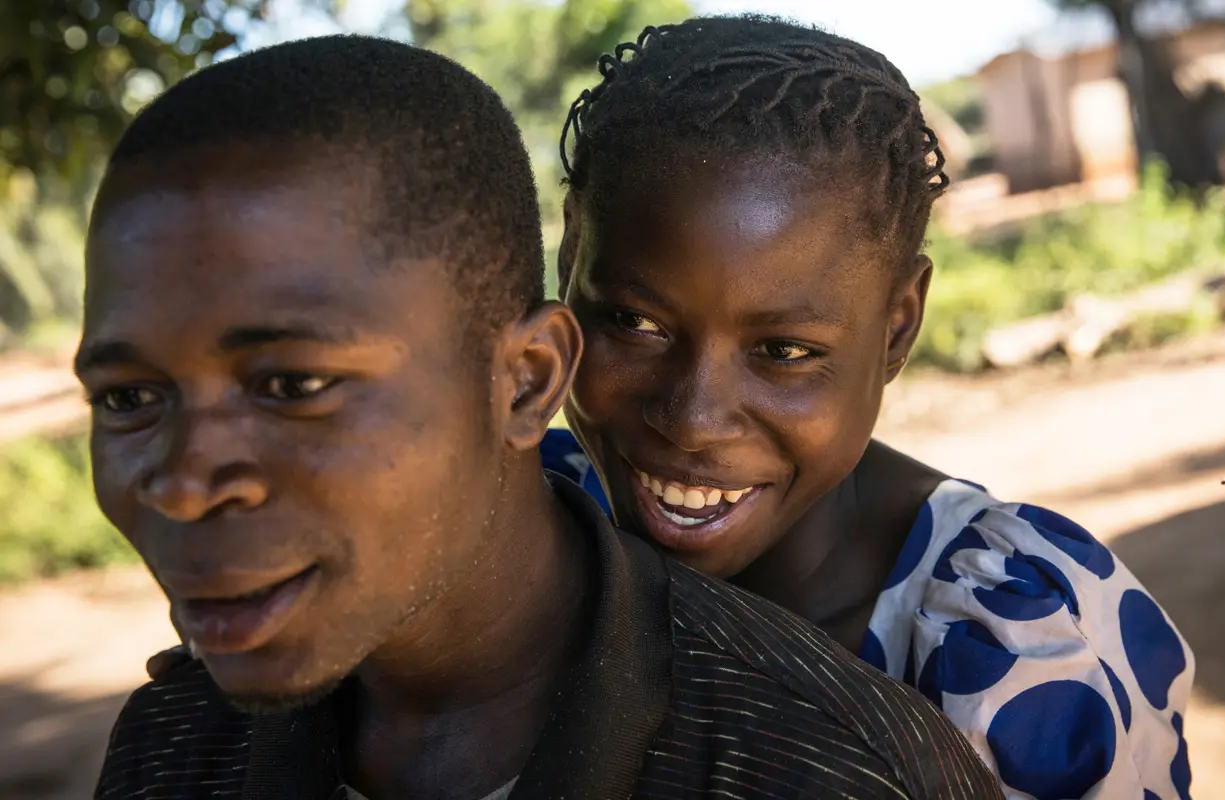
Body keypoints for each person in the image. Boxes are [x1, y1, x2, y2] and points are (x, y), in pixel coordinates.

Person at [86, 34, 1001, 800]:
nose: (184, 485)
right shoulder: (171, 748)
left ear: (526, 382)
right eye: (127, 398)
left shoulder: (840, 764)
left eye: (292, 386)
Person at [543, 16, 1195, 800]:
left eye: (783, 351)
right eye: (635, 324)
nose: (691, 418)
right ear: (570, 257)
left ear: (897, 328)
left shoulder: (1019, 646)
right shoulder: (523, 524)